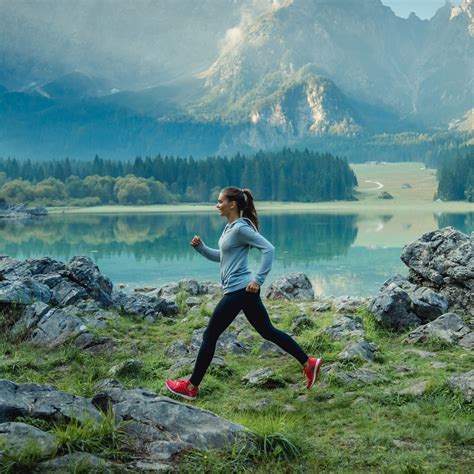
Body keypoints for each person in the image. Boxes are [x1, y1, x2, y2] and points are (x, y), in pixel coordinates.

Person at [165, 186, 322, 400]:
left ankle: (191, 387)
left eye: (220, 201)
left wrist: (258, 279)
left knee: (209, 335)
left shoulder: (240, 228)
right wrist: (201, 248)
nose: (217, 205)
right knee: (267, 331)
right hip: (242, 290)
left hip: (240, 290)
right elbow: (224, 256)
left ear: (233, 204)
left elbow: (269, 249)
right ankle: (309, 363)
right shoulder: (230, 228)